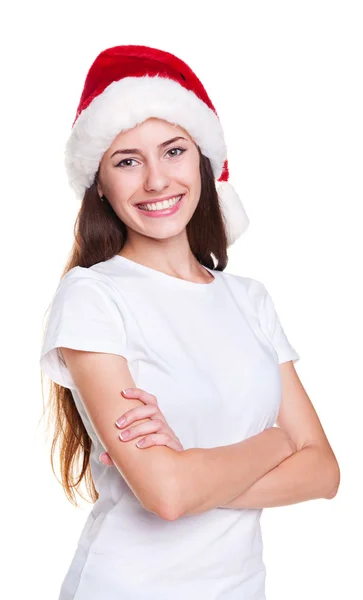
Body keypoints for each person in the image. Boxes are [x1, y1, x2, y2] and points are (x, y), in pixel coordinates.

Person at [39, 45, 339, 600]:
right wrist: (275, 442)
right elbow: (168, 495)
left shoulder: (249, 299)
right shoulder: (92, 296)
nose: (156, 180)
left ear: (201, 161)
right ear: (100, 184)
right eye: (127, 161)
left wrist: (192, 475)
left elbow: (324, 473)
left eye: (173, 151)